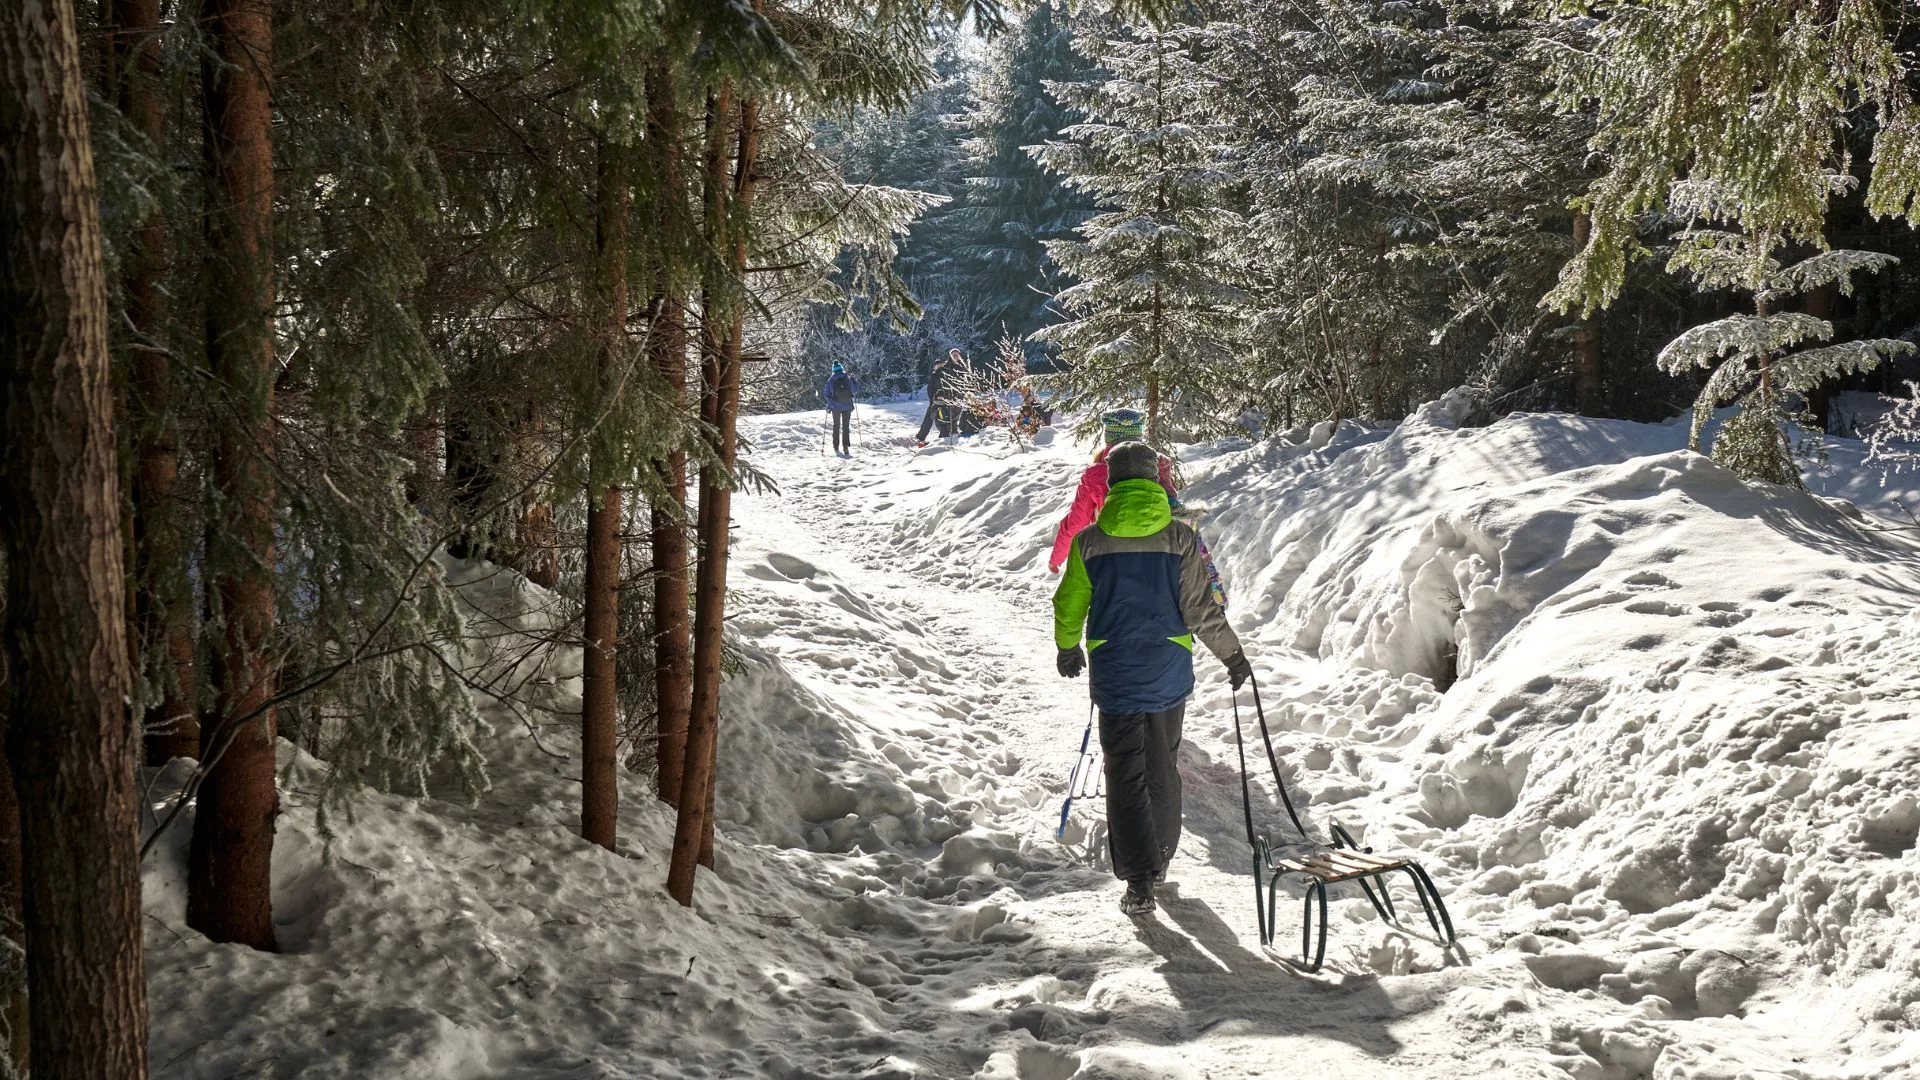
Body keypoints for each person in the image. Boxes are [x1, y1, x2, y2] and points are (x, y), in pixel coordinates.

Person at [1053, 441, 1253, 916]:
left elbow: (1069, 603)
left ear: (1115, 484)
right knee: (1162, 765)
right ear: (1154, 482)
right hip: (1167, 674)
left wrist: (1067, 647)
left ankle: (1138, 881)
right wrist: (1233, 656)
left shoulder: (1090, 542)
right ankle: (1161, 859)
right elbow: (1202, 611)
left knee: (1124, 772)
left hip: (1117, 674)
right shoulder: (1181, 539)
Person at [1048, 409, 1180, 575]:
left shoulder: (1096, 474)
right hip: (1158, 551)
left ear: (1108, 438)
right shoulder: (1159, 464)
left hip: (1111, 553)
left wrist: (1057, 558)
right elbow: (1172, 506)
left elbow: (1076, 522)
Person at [916, 349, 962, 445]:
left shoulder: (959, 368)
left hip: (951, 399)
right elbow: (931, 387)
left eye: (957, 355)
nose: (955, 356)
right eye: (954, 355)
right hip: (937, 399)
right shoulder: (939, 371)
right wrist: (933, 398)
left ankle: (948, 436)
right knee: (930, 417)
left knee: (950, 418)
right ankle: (921, 436)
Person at [822, 362, 858, 455]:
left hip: (835, 406)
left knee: (836, 425)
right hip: (847, 405)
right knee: (846, 426)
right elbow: (855, 390)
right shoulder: (847, 378)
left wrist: (831, 399)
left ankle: (836, 446)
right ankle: (845, 446)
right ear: (841, 368)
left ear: (833, 370)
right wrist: (854, 380)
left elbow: (826, 393)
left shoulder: (831, 380)